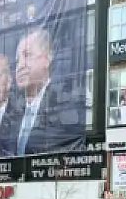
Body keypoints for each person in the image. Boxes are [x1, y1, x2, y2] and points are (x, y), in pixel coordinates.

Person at [11, 27, 83, 156]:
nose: (20, 66)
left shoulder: (65, 106)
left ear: (47, 58)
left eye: (27, 55)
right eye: (17, 61)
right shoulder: (12, 113)